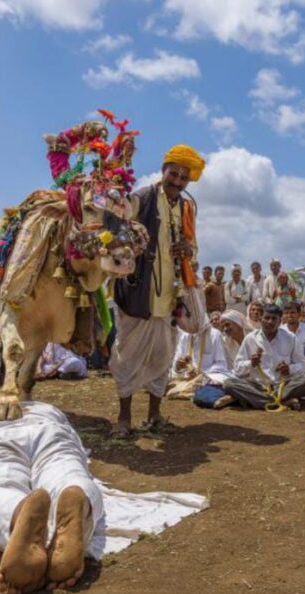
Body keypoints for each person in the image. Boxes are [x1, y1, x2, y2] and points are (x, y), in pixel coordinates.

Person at [0, 401, 207, 594]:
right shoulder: (48, 409)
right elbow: (76, 446)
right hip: (49, 429)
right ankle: (77, 495)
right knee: (65, 468)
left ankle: (16, 512)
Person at [110, 145, 204, 436]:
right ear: (163, 171)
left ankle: (154, 415)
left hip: (170, 297)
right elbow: (118, 221)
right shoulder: (144, 197)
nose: (177, 181)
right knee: (127, 356)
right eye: (173, 173)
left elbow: (194, 251)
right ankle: (123, 418)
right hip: (138, 293)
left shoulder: (187, 208)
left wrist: (187, 250)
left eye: (183, 177)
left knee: (162, 358)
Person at [219, 304, 305, 411]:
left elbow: (303, 364)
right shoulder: (250, 338)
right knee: (229, 384)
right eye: (267, 318)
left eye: (274, 319)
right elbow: (238, 369)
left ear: (280, 320)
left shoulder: (290, 337)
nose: (270, 322)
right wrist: (251, 363)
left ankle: (260, 401)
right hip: (258, 386)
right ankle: (281, 401)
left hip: (283, 385)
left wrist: (289, 368)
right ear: (261, 319)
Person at [166, 322, 229, 399]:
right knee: (161, 380)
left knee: (223, 380)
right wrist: (178, 366)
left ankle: (191, 391)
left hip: (207, 377)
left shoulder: (215, 334)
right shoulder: (185, 335)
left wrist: (202, 374)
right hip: (186, 377)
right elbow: (177, 363)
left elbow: (221, 364)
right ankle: (191, 391)